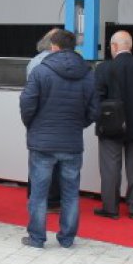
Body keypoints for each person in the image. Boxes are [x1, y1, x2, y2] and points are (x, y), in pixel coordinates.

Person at [20, 29, 98, 248]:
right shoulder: (88, 74)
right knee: (71, 193)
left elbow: (27, 104)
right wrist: (78, 124)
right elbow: (94, 110)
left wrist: (33, 125)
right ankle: (67, 238)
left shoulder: (40, 71)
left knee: (39, 193)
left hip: (42, 142)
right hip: (72, 142)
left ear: (53, 46)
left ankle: (37, 237)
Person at [94, 30, 133, 220]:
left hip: (110, 126)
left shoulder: (103, 68)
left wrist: (98, 121)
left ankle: (110, 208)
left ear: (114, 46)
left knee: (110, 168)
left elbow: (97, 99)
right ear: (130, 46)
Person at [27, 28, 61, 212]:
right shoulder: (58, 63)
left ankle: (35, 196)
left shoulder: (34, 61)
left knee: (37, 159)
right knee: (55, 161)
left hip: (37, 119)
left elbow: (29, 95)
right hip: (55, 119)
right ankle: (52, 200)